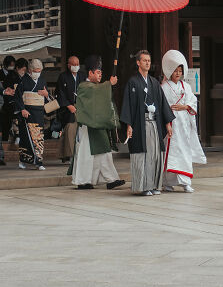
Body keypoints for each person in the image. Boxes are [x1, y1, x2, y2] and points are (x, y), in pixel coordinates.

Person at [120, 50, 175, 196]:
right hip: (140, 124)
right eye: (144, 60)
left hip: (154, 123)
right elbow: (128, 105)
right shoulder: (133, 82)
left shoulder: (154, 83)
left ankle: (154, 185)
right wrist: (129, 125)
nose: (147, 63)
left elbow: (163, 104)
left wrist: (168, 124)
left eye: (149, 61)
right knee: (143, 155)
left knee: (155, 154)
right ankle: (143, 186)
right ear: (138, 62)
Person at [71, 55, 126, 190]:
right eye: (97, 72)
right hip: (87, 127)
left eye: (101, 73)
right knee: (87, 154)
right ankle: (84, 180)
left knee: (104, 152)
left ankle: (110, 179)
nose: (100, 75)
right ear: (90, 73)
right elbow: (96, 91)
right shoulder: (84, 86)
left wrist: (107, 86)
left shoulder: (97, 87)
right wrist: (109, 84)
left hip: (97, 125)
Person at [161, 50, 206, 193]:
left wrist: (185, 106)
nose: (178, 73)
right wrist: (167, 123)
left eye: (180, 70)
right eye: (175, 70)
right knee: (172, 152)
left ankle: (185, 182)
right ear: (170, 71)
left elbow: (193, 102)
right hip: (172, 123)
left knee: (184, 151)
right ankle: (167, 182)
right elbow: (162, 107)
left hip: (184, 123)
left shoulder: (186, 87)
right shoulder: (164, 87)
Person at [14, 58, 49, 170]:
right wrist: (22, 109)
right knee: (26, 137)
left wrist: (46, 94)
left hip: (38, 112)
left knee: (38, 137)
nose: (37, 73)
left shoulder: (42, 81)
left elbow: (47, 97)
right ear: (30, 70)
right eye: (36, 71)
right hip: (27, 112)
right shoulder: (23, 80)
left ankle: (39, 162)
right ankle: (23, 160)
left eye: (39, 71)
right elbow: (18, 96)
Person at [55, 56, 81, 164]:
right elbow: (60, 93)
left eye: (77, 64)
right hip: (68, 109)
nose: (75, 66)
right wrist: (68, 105)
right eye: (73, 64)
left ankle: (78, 154)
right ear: (68, 65)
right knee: (70, 130)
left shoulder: (82, 75)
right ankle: (70, 155)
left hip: (80, 107)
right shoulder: (63, 76)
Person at [3, 58, 28, 145]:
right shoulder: (11, 77)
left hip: (18, 103)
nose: (24, 72)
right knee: (14, 123)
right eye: (23, 69)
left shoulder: (21, 77)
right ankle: (16, 136)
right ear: (17, 68)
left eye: (25, 70)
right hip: (12, 104)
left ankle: (17, 136)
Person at [0, 55, 17, 141]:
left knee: (12, 125)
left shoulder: (14, 74)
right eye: (10, 65)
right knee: (3, 125)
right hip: (2, 104)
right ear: (5, 64)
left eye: (13, 65)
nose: (11, 67)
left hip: (11, 104)